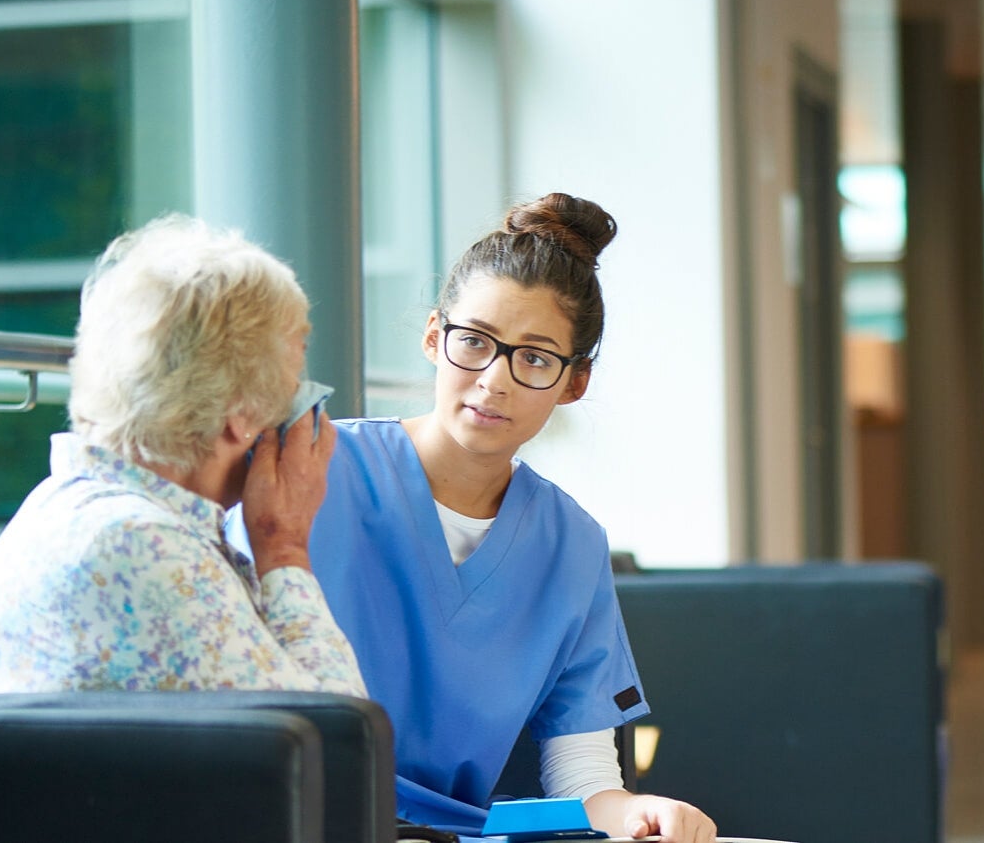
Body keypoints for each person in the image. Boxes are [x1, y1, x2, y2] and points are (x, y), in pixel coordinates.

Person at [235, 194, 715, 843]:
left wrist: (634, 813)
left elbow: (581, 776)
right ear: (435, 337)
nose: (495, 380)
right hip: (293, 816)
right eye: (475, 343)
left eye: (536, 358)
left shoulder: (570, 545)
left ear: (574, 383)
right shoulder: (313, 466)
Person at [0, 215, 363, 697]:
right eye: (299, 356)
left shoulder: (71, 509)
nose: (305, 395)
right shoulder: (144, 546)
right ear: (242, 409)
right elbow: (339, 744)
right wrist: (284, 547)